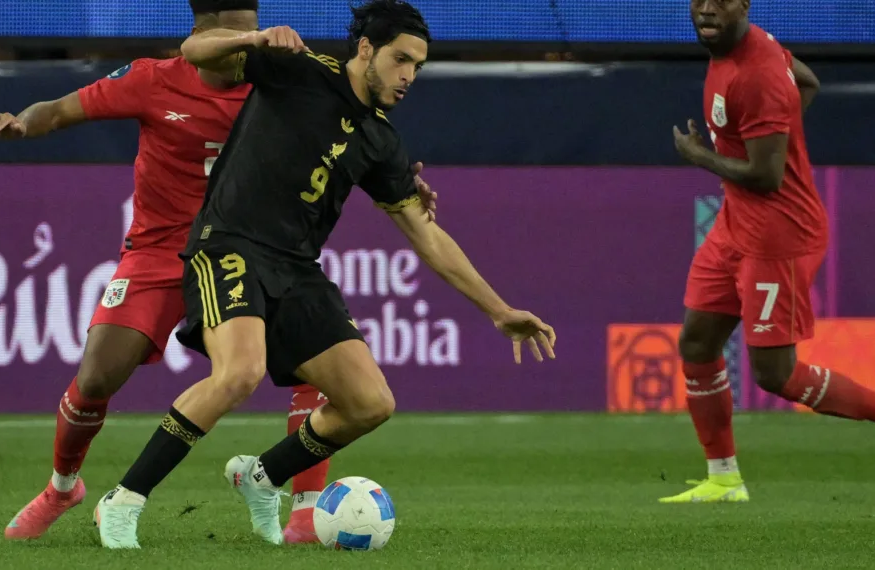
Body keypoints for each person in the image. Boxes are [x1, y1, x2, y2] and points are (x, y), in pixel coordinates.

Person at [91, 0, 556, 549]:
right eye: (400, 59)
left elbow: (426, 234)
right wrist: (253, 39)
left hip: (296, 269)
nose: (408, 76)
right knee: (239, 373)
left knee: (370, 403)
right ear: (366, 49)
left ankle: (261, 476)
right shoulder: (299, 70)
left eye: (417, 66)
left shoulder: (381, 140)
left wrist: (499, 311)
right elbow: (194, 51)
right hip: (229, 246)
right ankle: (123, 501)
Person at [0, 0, 437, 542]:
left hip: (249, 246)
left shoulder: (280, 80)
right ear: (203, 36)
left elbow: (346, 136)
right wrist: (22, 123)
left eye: (254, 31)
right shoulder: (153, 80)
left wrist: (400, 182)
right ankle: (62, 487)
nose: (250, 43)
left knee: (317, 365)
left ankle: (306, 510)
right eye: (237, 36)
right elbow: (57, 110)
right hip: (159, 251)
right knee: (98, 375)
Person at [665, 0, 875, 503]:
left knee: (775, 374)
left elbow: (766, 176)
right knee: (698, 344)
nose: (706, 9)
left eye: (720, 1)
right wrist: (778, 133)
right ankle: (724, 478)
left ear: (743, 4)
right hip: (735, 226)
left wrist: (701, 156)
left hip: (779, 237)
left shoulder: (758, 74)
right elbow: (809, 83)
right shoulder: (746, 49)